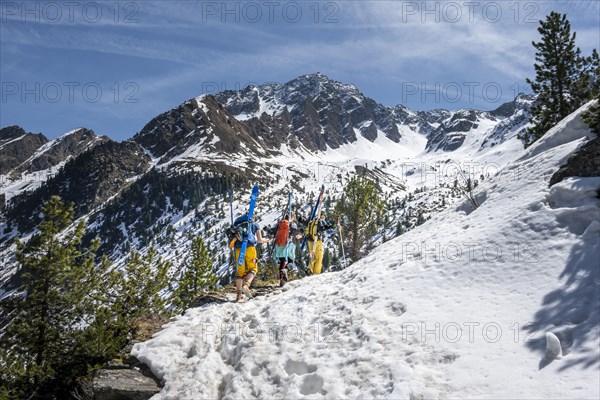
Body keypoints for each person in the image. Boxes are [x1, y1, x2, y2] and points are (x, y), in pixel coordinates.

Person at [228, 213, 270, 301]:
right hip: (250, 248)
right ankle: (246, 285)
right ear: (253, 217)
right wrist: (267, 240)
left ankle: (238, 295)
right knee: (253, 269)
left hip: (239, 249)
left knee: (239, 272)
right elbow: (260, 240)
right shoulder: (254, 224)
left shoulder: (237, 224)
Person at [272, 212, 300, 286]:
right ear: (293, 217)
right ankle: (286, 269)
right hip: (289, 244)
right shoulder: (292, 224)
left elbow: (272, 232)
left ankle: (282, 280)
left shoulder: (280, 224)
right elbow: (296, 234)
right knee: (291, 261)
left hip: (279, 244)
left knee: (282, 261)